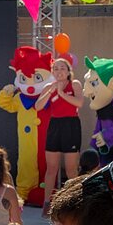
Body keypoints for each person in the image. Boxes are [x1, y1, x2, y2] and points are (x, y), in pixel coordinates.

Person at [35, 54, 85, 215]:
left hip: (71, 126)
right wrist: (49, 92)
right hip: (55, 126)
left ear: (68, 71)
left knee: (71, 169)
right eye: (55, 68)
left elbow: (79, 103)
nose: (59, 71)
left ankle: (75, 203)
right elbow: (38, 106)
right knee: (52, 168)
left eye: (62, 68)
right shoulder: (49, 86)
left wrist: (61, 93)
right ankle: (47, 203)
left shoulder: (75, 84)